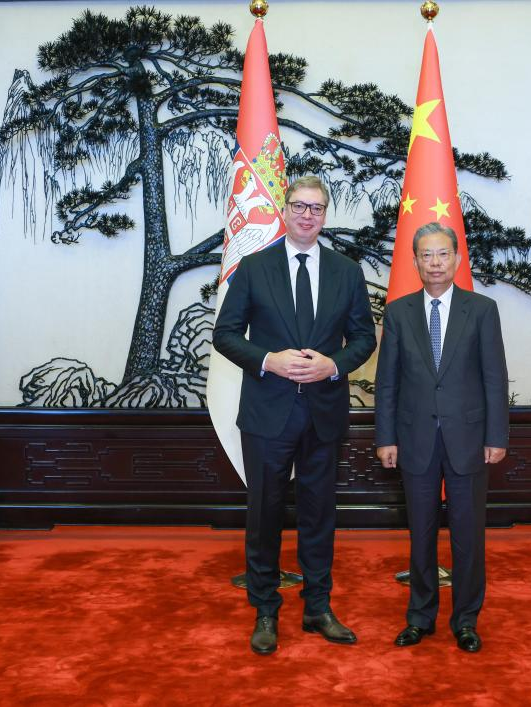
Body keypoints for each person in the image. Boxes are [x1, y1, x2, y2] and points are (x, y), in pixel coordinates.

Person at [213, 175, 377, 655]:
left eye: (317, 208)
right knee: (264, 514)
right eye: (300, 207)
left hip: (323, 412)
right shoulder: (253, 267)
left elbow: (364, 338)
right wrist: (269, 360)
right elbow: (226, 334)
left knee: (319, 514)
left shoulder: (347, 271)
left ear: (326, 215)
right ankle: (265, 609)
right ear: (285, 210)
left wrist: (335, 365)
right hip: (267, 412)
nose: (308, 215)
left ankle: (317, 607)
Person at [374, 222, 509, 653]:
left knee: (468, 535)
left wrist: (496, 436)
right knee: (421, 533)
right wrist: (385, 437)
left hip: (469, 439)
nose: (435, 262)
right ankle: (420, 617)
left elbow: (494, 378)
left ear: (456, 259)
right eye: (426, 255)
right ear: (414, 261)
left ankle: (466, 619)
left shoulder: (482, 309)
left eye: (443, 254)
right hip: (414, 439)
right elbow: (387, 383)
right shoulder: (398, 312)